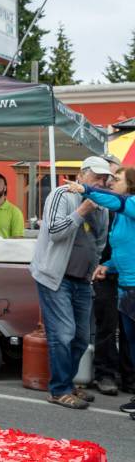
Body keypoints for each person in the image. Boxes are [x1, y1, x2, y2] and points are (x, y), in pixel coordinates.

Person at [30, 156, 112, 409]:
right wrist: (82, 211)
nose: (101, 182)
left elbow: (99, 242)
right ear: (82, 175)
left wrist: (92, 267)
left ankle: (66, 381)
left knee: (80, 338)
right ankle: (59, 389)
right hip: (55, 277)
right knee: (63, 335)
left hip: (81, 280)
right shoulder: (61, 194)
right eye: (96, 177)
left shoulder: (103, 205)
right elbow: (55, 232)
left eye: (104, 179)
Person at [68, 166, 135, 415]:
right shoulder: (123, 214)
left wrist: (85, 188)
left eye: (117, 179)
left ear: (130, 184)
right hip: (126, 287)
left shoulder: (130, 204)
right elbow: (126, 249)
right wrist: (107, 266)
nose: (112, 182)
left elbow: (114, 200)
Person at [91, 155, 135, 397]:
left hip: (125, 272)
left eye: (115, 176)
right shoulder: (100, 202)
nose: (109, 180)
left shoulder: (125, 203)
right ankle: (105, 374)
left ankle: (129, 378)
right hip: (105, 272)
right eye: (106, 176)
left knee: (129, 333)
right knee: (107, 325)